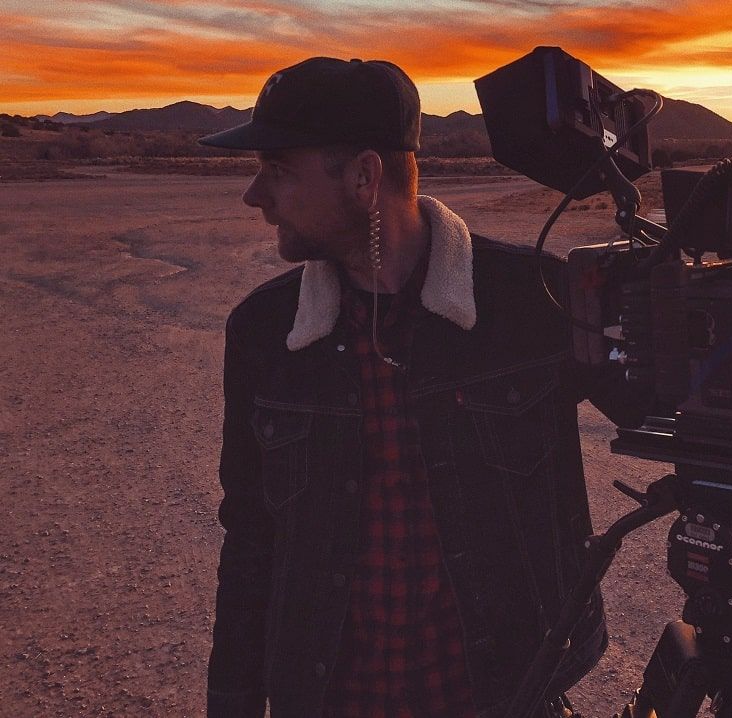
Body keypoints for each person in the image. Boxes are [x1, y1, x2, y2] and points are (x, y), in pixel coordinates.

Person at [199, 57, 640, 718]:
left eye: (278, 169)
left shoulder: (529, 300)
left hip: (500, 697)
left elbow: (672, 415)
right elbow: (251, 537)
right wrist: (231, 703)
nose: (255, 195)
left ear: (364, 177)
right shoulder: (265, 332)